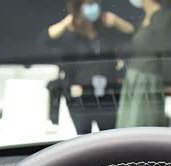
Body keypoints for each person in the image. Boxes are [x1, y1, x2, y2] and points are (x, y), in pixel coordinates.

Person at [46, 1, 135, 134]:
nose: (93, 7)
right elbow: (47, 39)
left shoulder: (105, 31)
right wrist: (66, 22)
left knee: (110, 136)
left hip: (107, 95)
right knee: (84, 138)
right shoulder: (71, 35)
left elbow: (132, 34)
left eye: (94, 3)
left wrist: (117, 21)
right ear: (78, 8)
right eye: (88, 4)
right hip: (80, 96)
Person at [116, 0, 171, 128]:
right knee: (128, 126)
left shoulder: (162, 17)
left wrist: (168, 83)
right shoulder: (145, 17)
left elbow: (166, 54)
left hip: (147, 81)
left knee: (143, 126)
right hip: (134, 78)